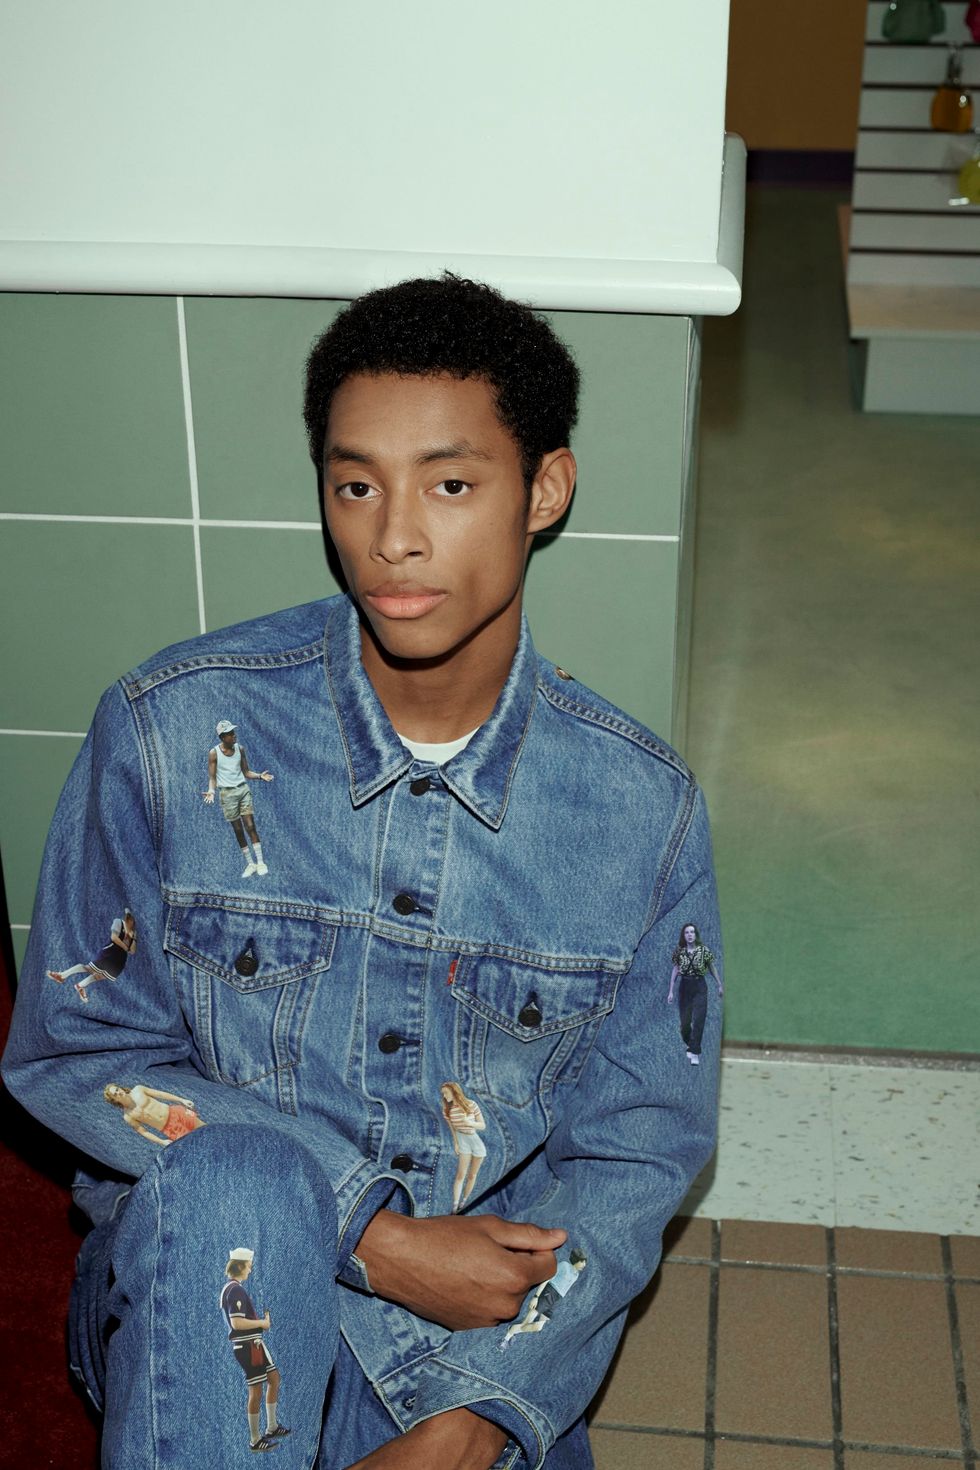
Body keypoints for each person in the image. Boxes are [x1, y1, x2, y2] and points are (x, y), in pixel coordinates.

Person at [3, 273, 723, 1470]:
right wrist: (370, 1236)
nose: (392, 536)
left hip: (475, 1344)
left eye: (450, 484)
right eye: (355, 485)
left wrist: (470, 1423)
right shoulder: (171, 730)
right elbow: (75, 1053)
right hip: (206, 1295)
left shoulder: (637, 813)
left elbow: (634, 1154)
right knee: (238, 1180)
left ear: (544, 490)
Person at [221, 1247, 290, 1452]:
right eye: (249, 1266)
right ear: (240, 1266)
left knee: (274, 1378)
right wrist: (262, 1323)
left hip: (254, 1343)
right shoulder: (235, 1290)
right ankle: (255, 1439)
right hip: (248, 1345)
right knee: (256, 1390)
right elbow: (237, 1323)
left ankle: (271, 1426)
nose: (250, 1270)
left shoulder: (231, 1289)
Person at [204, 720, 274, 877]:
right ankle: (251, 864)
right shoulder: (214, 753)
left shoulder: (240, 749)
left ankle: (260, 862)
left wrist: (260, 776)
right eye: (230, 734)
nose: (234, 735)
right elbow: (212, 777)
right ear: (222, 737)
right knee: (238, 830)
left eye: (233, 732)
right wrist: (211, 791)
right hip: (227, 795)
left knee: (250, 825)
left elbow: (246, 772)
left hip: (243, 791)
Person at [47, 907, 137, 1003]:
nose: (130, 921)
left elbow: (132, 951)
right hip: (110, 952)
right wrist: (126, 947)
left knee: (101, 976)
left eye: (132, 919)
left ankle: (80, 986)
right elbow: (114, 938)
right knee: (89, 968)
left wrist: (133, 939)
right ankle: (62, 975)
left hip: (119, 960)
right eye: (129, 918)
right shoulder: (119, 922)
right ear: (127, 918)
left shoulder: (133, 933)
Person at [500, 1250, 586, 1349]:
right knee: (526, 1322)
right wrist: (536, 1297)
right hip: (548, 1293)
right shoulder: (564, 1265)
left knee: (537, 1327)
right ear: (576, 1260)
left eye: (585, 1261)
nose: (584, 1264)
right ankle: (506, 1339)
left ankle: (513, 1329)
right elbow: (547, 1279)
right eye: (582, 1261)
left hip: (555, 1300)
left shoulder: (576, 1275)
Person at [667, 921, 724, 1065]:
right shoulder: (679, 951)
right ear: (683, 935)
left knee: (699, 1018)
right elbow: (675, 969)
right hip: (685, 986)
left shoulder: (703, 950)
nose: (690, 935)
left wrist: (719, 984)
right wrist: (671, 990)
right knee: (685, 1022)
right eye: (687, 932)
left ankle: (695, 1051)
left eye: (692, 932)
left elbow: (712, 967)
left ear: (696, 934)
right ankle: (689, 1043)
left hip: (699, 986)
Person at [440, 1081, 488, 1212]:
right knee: (461, 1174)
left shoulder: (471, 1104)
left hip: (475, 1140)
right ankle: (455, 1206)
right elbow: (452, 1129)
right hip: (462, 1140)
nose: (444, 1096)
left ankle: (465, 1201)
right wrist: (456, 1143)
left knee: (472, 1175)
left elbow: (482, 1125)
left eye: (446, 1093)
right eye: (443, 1094)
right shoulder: (447, 1111)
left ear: (454, 1091)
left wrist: (470, 1123)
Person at [103, 1083, 205, 1145]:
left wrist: (181, 1100)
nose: (118, 1092)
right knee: (196, 1145)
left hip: (176, 1113)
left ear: (120, 1087)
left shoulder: (138, 1090)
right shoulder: (128, 1116)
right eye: (115, 1094)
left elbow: (160, 1094)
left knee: (205, 1129)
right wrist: (161, 1141)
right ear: (114, 1100)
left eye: (117, 1089)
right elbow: (143, 1132)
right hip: (170, 1129)